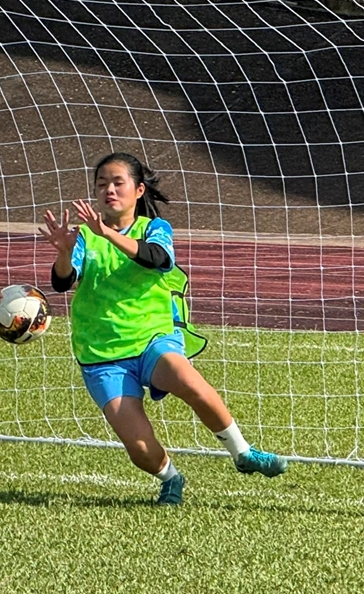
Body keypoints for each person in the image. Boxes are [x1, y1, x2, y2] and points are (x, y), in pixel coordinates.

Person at [40, 152, 287, 505]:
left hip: (153, 338)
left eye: (117, 182)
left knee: (187, 378)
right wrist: (64, 253)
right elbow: (63, 282)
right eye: (101, 184)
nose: (109, 190)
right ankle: (171, 478)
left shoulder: (154, 228)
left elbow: (156, 258)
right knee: (140, 450)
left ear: (139, 190)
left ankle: (243, 453)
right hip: (101, 354)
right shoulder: (84, 238)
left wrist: (108, 234)